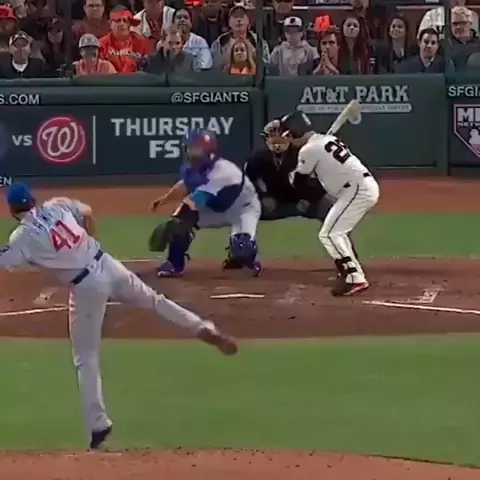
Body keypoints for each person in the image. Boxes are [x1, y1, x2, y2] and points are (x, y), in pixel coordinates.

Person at [0, 183, 237, 450]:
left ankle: (98, 425)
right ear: (33, 199)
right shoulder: (57, 205)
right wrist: (84, 243)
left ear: (12, 210)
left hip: (86, 286)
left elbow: (10, 261)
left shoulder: (21, 237)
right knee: (155, 300)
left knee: (86, 357)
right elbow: (87, 213)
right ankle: (201, 326)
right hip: (106, 263)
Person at [279, 111, 379, 296]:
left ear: (294, 132)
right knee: (333, 233)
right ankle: (350, 273)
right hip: (357, 188)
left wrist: (295, 176)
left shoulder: (308, 150)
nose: (290, 140)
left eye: (289, 135)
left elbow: (299, 184)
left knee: (331, 234)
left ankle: (354, 278)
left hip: (357, 190)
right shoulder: (326, 140)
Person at [150, 129, 262, 278]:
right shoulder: (191, 169)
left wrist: (174, 218)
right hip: (215, 209)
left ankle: (250, 260)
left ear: (208, 150)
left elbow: (197, 198)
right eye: (190, 148)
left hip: (243, 209)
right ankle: (174, 263)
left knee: (242, 247)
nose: (192, 152)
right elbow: (185, 185)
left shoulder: (224, 171)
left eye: (196, 148)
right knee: (179, 225)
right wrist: (165, 200)